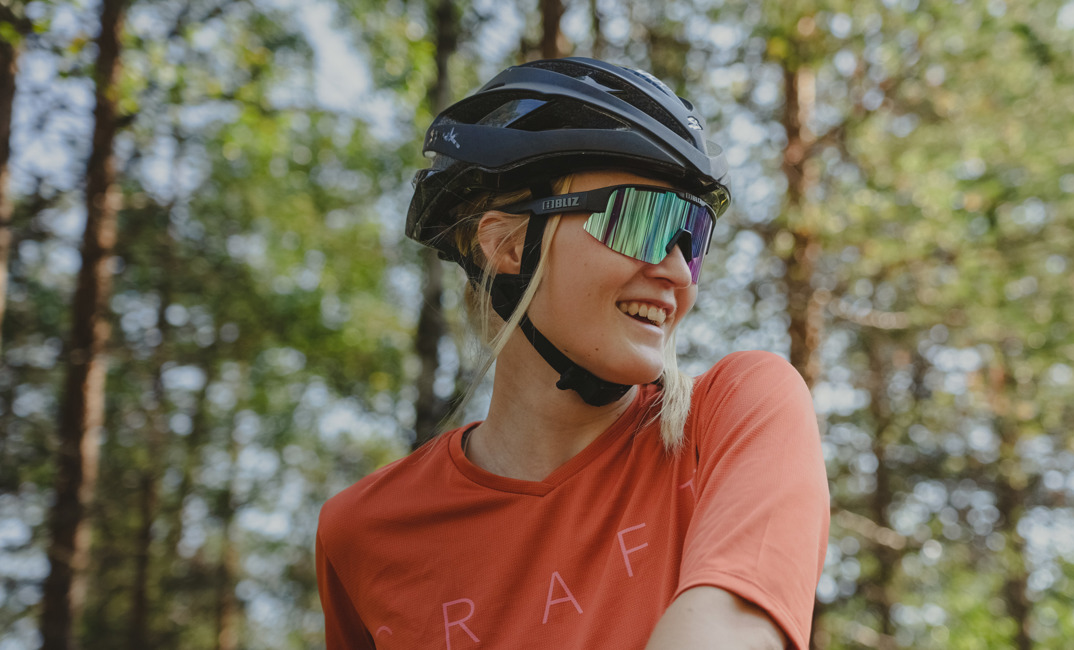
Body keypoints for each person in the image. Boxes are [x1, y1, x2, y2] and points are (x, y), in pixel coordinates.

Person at [316, 57, 829, 650]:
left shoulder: (734, 416)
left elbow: (734, 631)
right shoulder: (361, 533)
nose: (674, 271)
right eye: (640, 219)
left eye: (691, 235)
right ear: (507, 244)